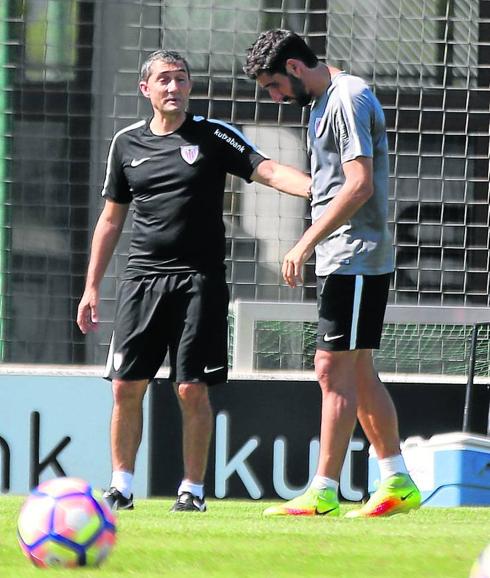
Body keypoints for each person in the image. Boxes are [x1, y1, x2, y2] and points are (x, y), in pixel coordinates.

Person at [77, 49, 311, 512]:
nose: (173, 87)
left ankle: (192, 490)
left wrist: (320, 188)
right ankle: (121, 486)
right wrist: (91, 287)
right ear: (146, 89)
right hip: (141, 281)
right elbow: (110, 220)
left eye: (180, 79)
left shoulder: (212, 134)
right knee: (126, 384)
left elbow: (265, 169)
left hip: (198, 281)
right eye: (163, 79)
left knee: (190, 387)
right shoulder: (126, 144)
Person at [244, 30, 421, 517]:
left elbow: (360, 184)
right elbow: (337, 182)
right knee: (359, 371)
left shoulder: (346, 97)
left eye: (275, 87)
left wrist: (304, 242)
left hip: (356, 257)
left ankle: (323, 490)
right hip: (343, 257)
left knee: (331, 369)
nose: (277, 98)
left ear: (295, 69)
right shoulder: (323, 101)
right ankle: (397, 482)